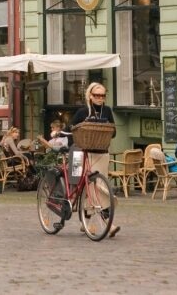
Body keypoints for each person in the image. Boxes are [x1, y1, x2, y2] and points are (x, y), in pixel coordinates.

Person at [71, 82, 120, 238]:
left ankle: (84, 221)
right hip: (87, 153)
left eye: (103, 95)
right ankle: (108, 224)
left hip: (102, 153)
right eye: (97, 95)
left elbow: (113, 133)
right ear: (90, 96)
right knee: (92, 189)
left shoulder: (107, 110)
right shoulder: (82, 111)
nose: (100, 98)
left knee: (102, 189)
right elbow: (73, 129)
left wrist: (104, 129)